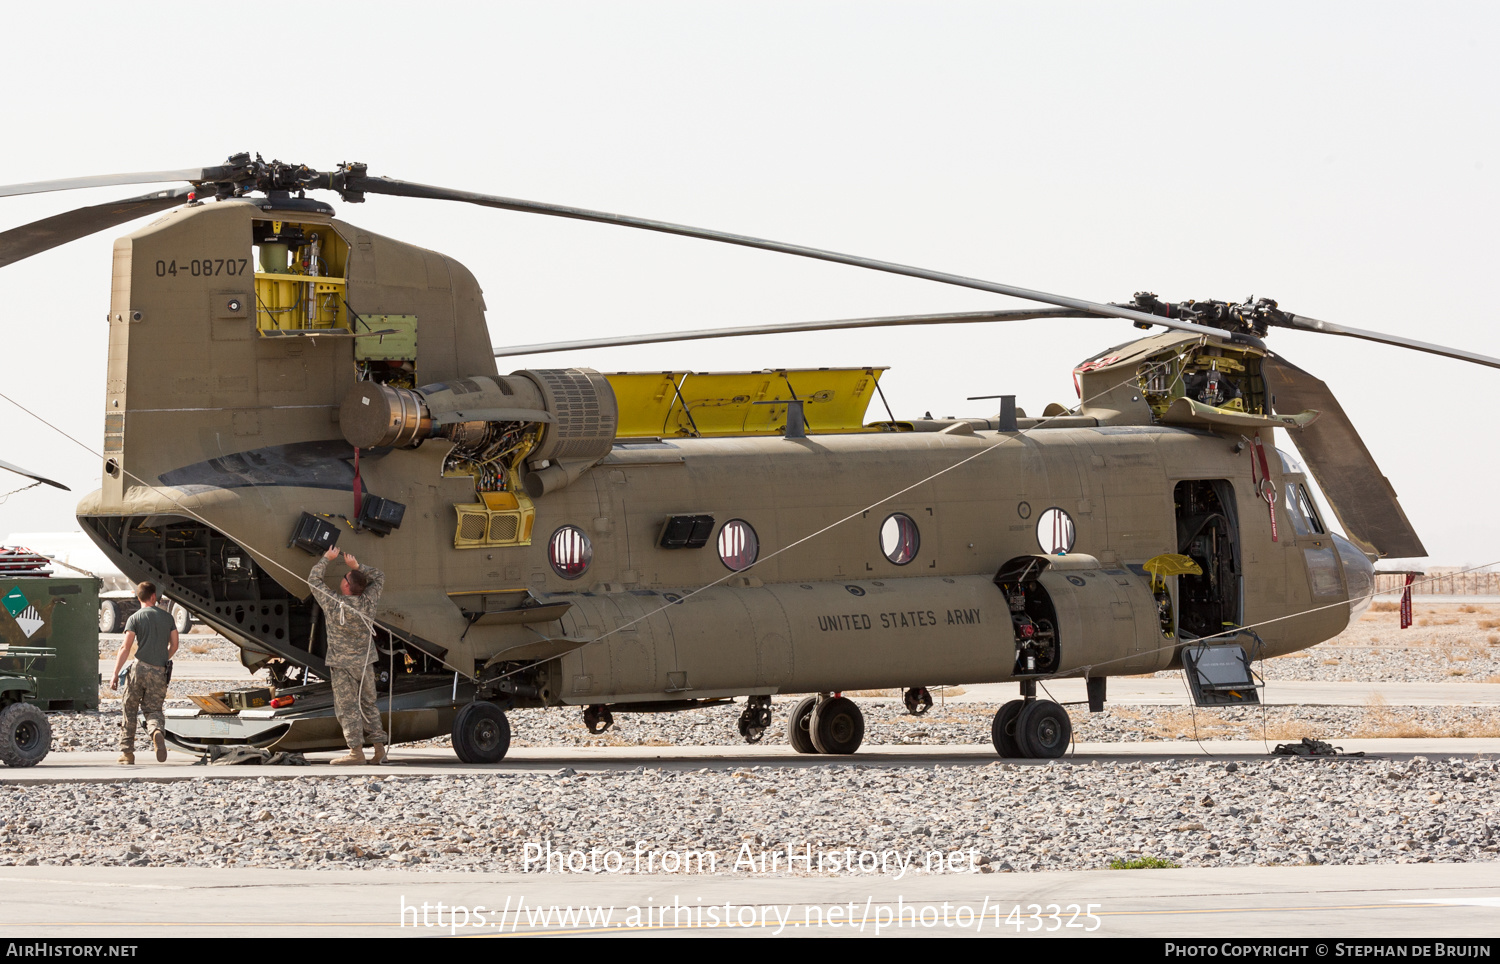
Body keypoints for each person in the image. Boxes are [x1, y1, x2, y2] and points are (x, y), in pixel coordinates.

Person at [308, 547, 388, 765]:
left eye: (345, 577)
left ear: (345, 585)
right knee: (369, 704)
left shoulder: (333, 603)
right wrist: (357, 567)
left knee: (348, 708)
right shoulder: (368, 602)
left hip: (342, 664)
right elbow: (379, 577)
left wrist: (327, 558)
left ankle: (356, 752)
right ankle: (379, 749)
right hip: (364, 663)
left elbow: (313, 580)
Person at [109, 582, 179, 764]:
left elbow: (125, 647)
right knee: (154, 709)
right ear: (153, 597)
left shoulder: (135, 618)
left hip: (139, 669)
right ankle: (156, 731)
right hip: (159, 670)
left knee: (129, 707)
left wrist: (115, 673)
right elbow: (175, 645)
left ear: (138, 597)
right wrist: (163, 657)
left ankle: (127, 753)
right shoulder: (168, 617)